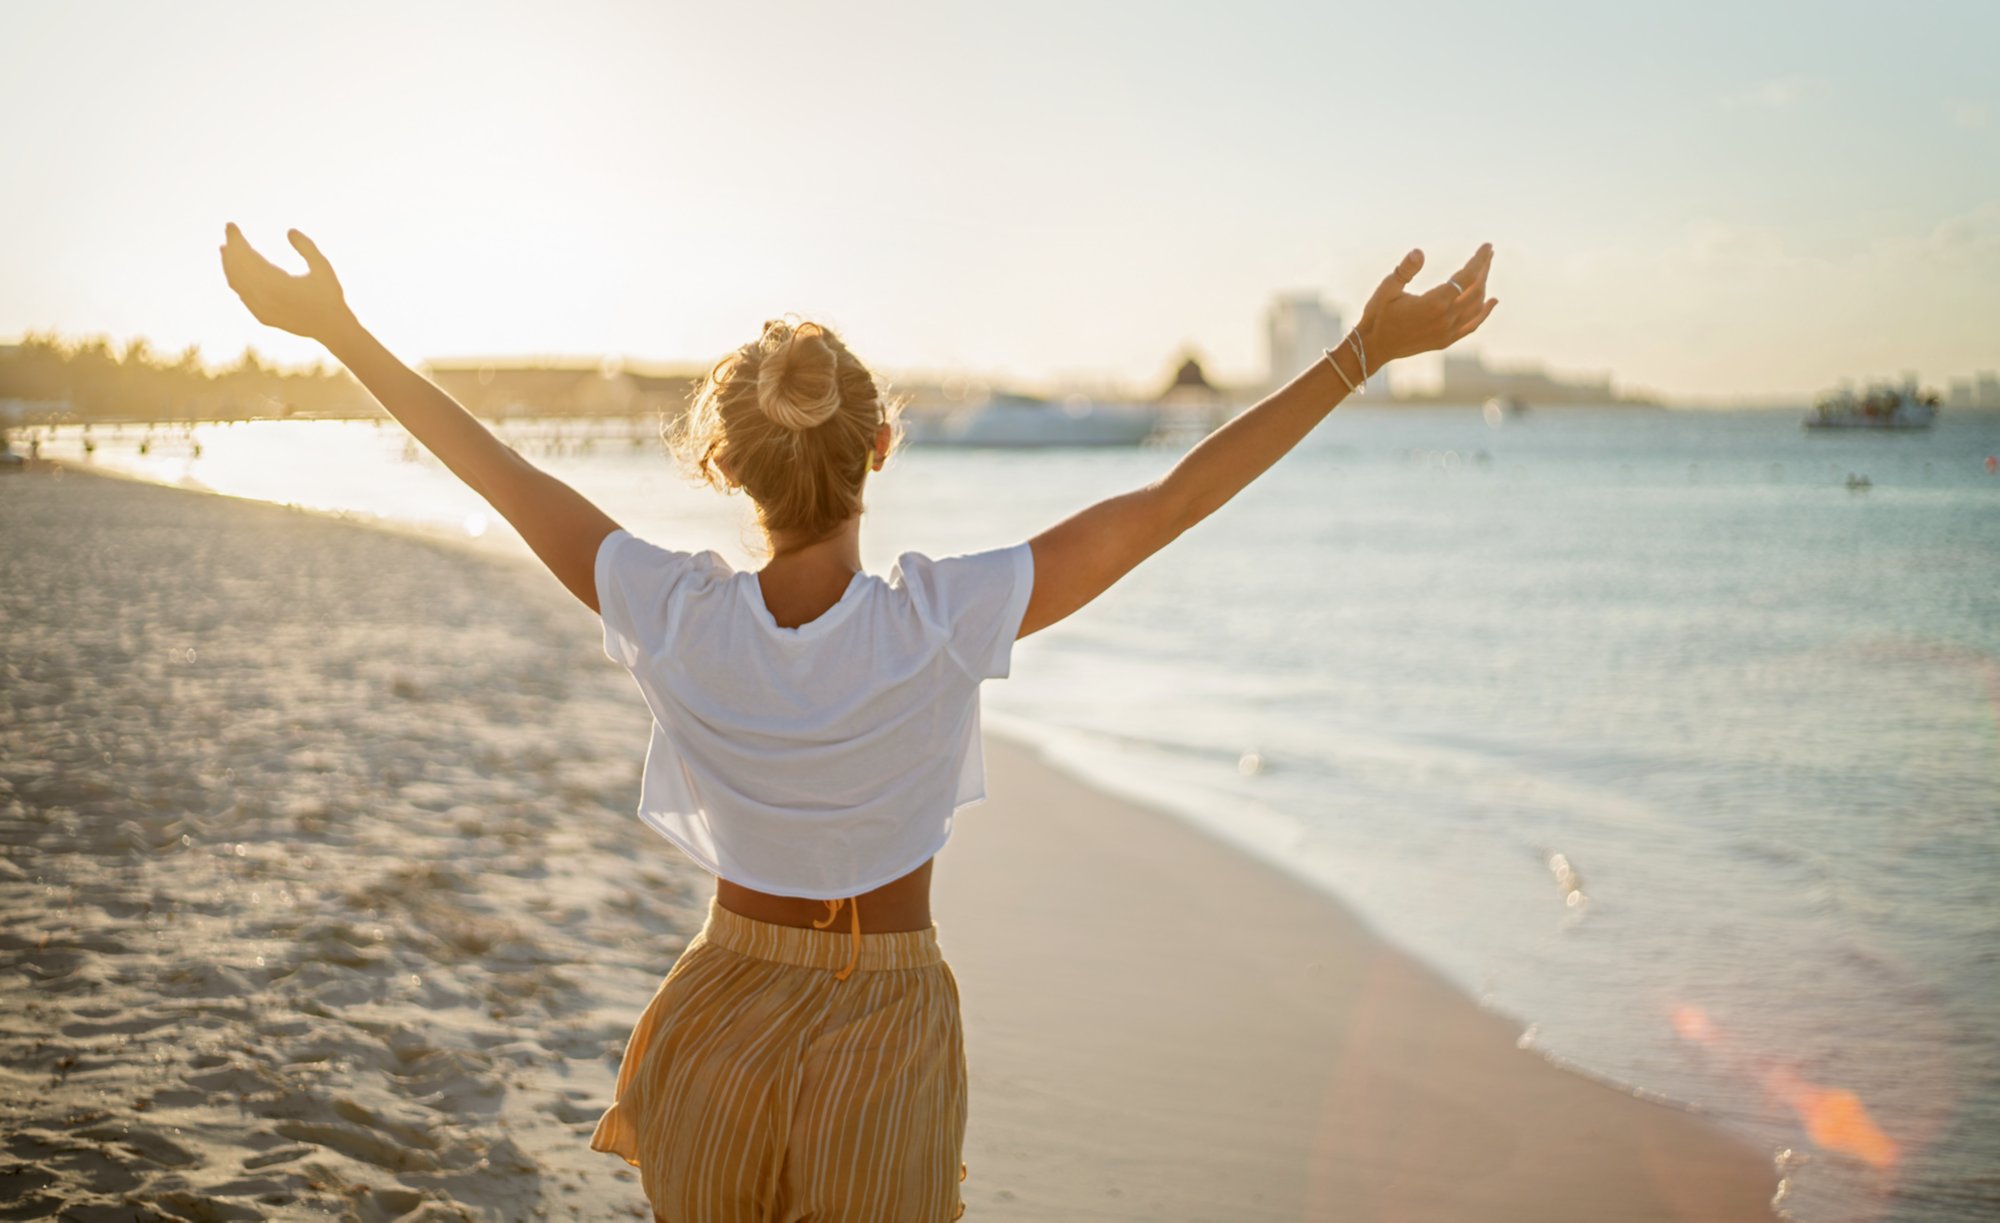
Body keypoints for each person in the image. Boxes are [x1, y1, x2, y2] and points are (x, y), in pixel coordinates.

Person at [218, 224, 1496, 1221]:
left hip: (716, 1011)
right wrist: (1356, 358)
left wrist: (336, 329)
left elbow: (493, 469)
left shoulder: (671, 614)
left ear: (721, 465)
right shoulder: (940, 619)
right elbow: (1165, 504)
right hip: (886, 1027)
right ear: (881, 448)